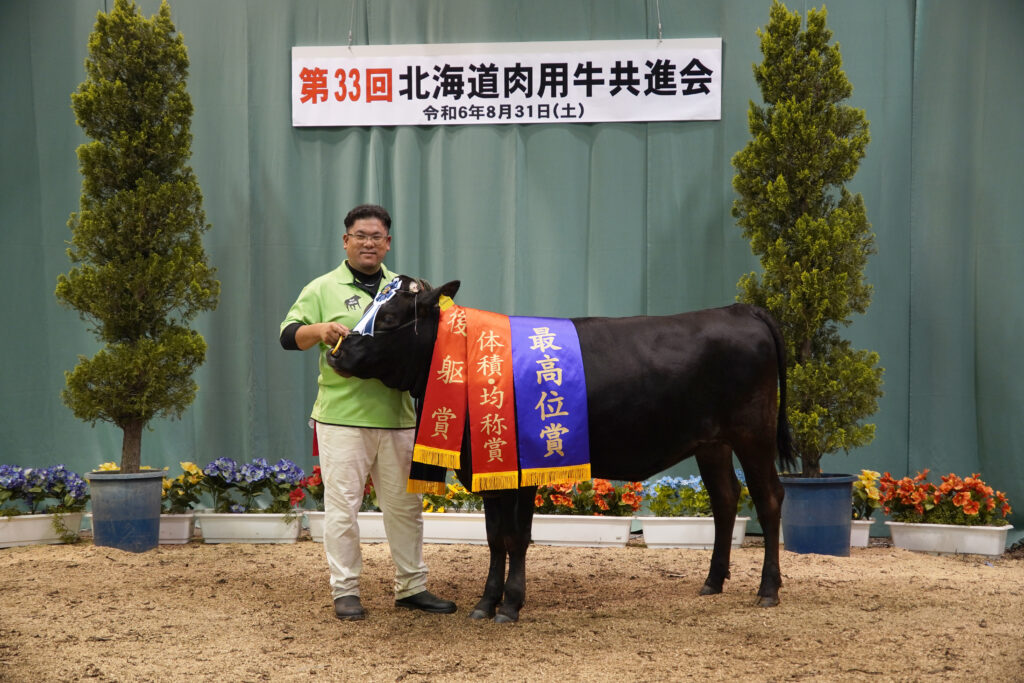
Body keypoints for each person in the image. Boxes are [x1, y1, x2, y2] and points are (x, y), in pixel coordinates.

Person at [279, 203, 456, 621]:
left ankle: (412, 587)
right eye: (360, 235)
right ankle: (345, 590)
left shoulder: (409, 289)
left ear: (388, 243)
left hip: (397, 418)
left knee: (406, 508)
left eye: (377, 236)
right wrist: (319, 330)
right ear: (346, 241)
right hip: (342, 417)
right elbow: (288, 336)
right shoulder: (322, 288)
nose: (368, 243)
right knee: (343, 509)